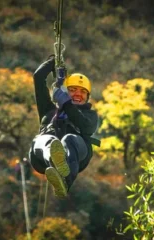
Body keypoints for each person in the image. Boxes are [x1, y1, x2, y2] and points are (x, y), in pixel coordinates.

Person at [28, 55, 100, 198]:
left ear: (87, 97)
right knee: (47, 139)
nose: (78, 94)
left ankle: (64, 181)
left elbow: (86, 127)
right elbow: (38, 77)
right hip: (41, 157)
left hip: (76, 155)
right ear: (66, 91)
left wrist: (66, 104)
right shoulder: (48, 110)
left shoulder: (90, 115)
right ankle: (55, 162)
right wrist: (53, 62)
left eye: (83, 91)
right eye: (73, 90)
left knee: (69, 138)